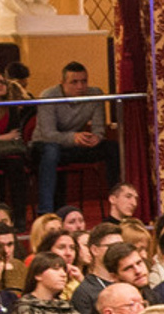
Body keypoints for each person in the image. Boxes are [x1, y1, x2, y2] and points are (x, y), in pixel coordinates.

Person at [32, 64, 111, 216]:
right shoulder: (48, 96)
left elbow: (99, 128)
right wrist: (73, 137)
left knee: (111, 148)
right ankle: (45, 212)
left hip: (74, 144)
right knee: (51, 151)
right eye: (74, 82)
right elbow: (48, 134)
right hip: (43, 145)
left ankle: (117, 203)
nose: (80, 86)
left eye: (84, 81)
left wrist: (97, 137)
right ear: (62, 83)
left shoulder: (95, 94)